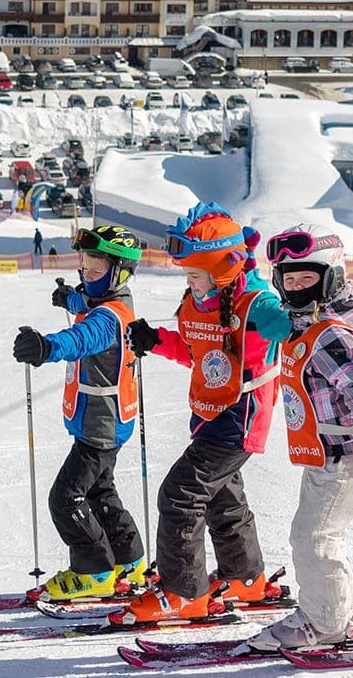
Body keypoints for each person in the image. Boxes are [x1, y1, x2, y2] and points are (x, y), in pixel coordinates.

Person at [116, 202, 291, 624]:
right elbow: (198, 353)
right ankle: (245, 579)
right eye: (187, 275)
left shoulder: (255, 304)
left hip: (240, 415)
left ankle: (182, 594)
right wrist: (156, 339)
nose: (190, 283)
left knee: (179, 495)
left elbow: (298, 323)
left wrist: (342, 319)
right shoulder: (201, 300)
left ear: (224, 268)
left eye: (195, 274)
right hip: (210, 414)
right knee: (222, 500)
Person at [245, 224, 353, 651]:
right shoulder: (305, 326)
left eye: (306, 279)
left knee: (314, 538)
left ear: (329, 277)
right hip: (322, 455)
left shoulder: (328, 332)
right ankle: (339, 611)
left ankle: (326, 621)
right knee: (318, 535)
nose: (295, 288)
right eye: (288, 280)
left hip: (342, 455)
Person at [11, 226, 150, 601]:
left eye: (94, 270)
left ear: (118, 273)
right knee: (101, 491)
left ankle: (94, 571)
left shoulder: (107, 319)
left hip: (98, 427)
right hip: (109, 422)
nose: (86, 276)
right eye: (83, 269)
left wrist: (46, 347)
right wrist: (69, 298)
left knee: (66, 497)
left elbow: (81, 338)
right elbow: (87, 303)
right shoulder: (112, 301)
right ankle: (128, 560)